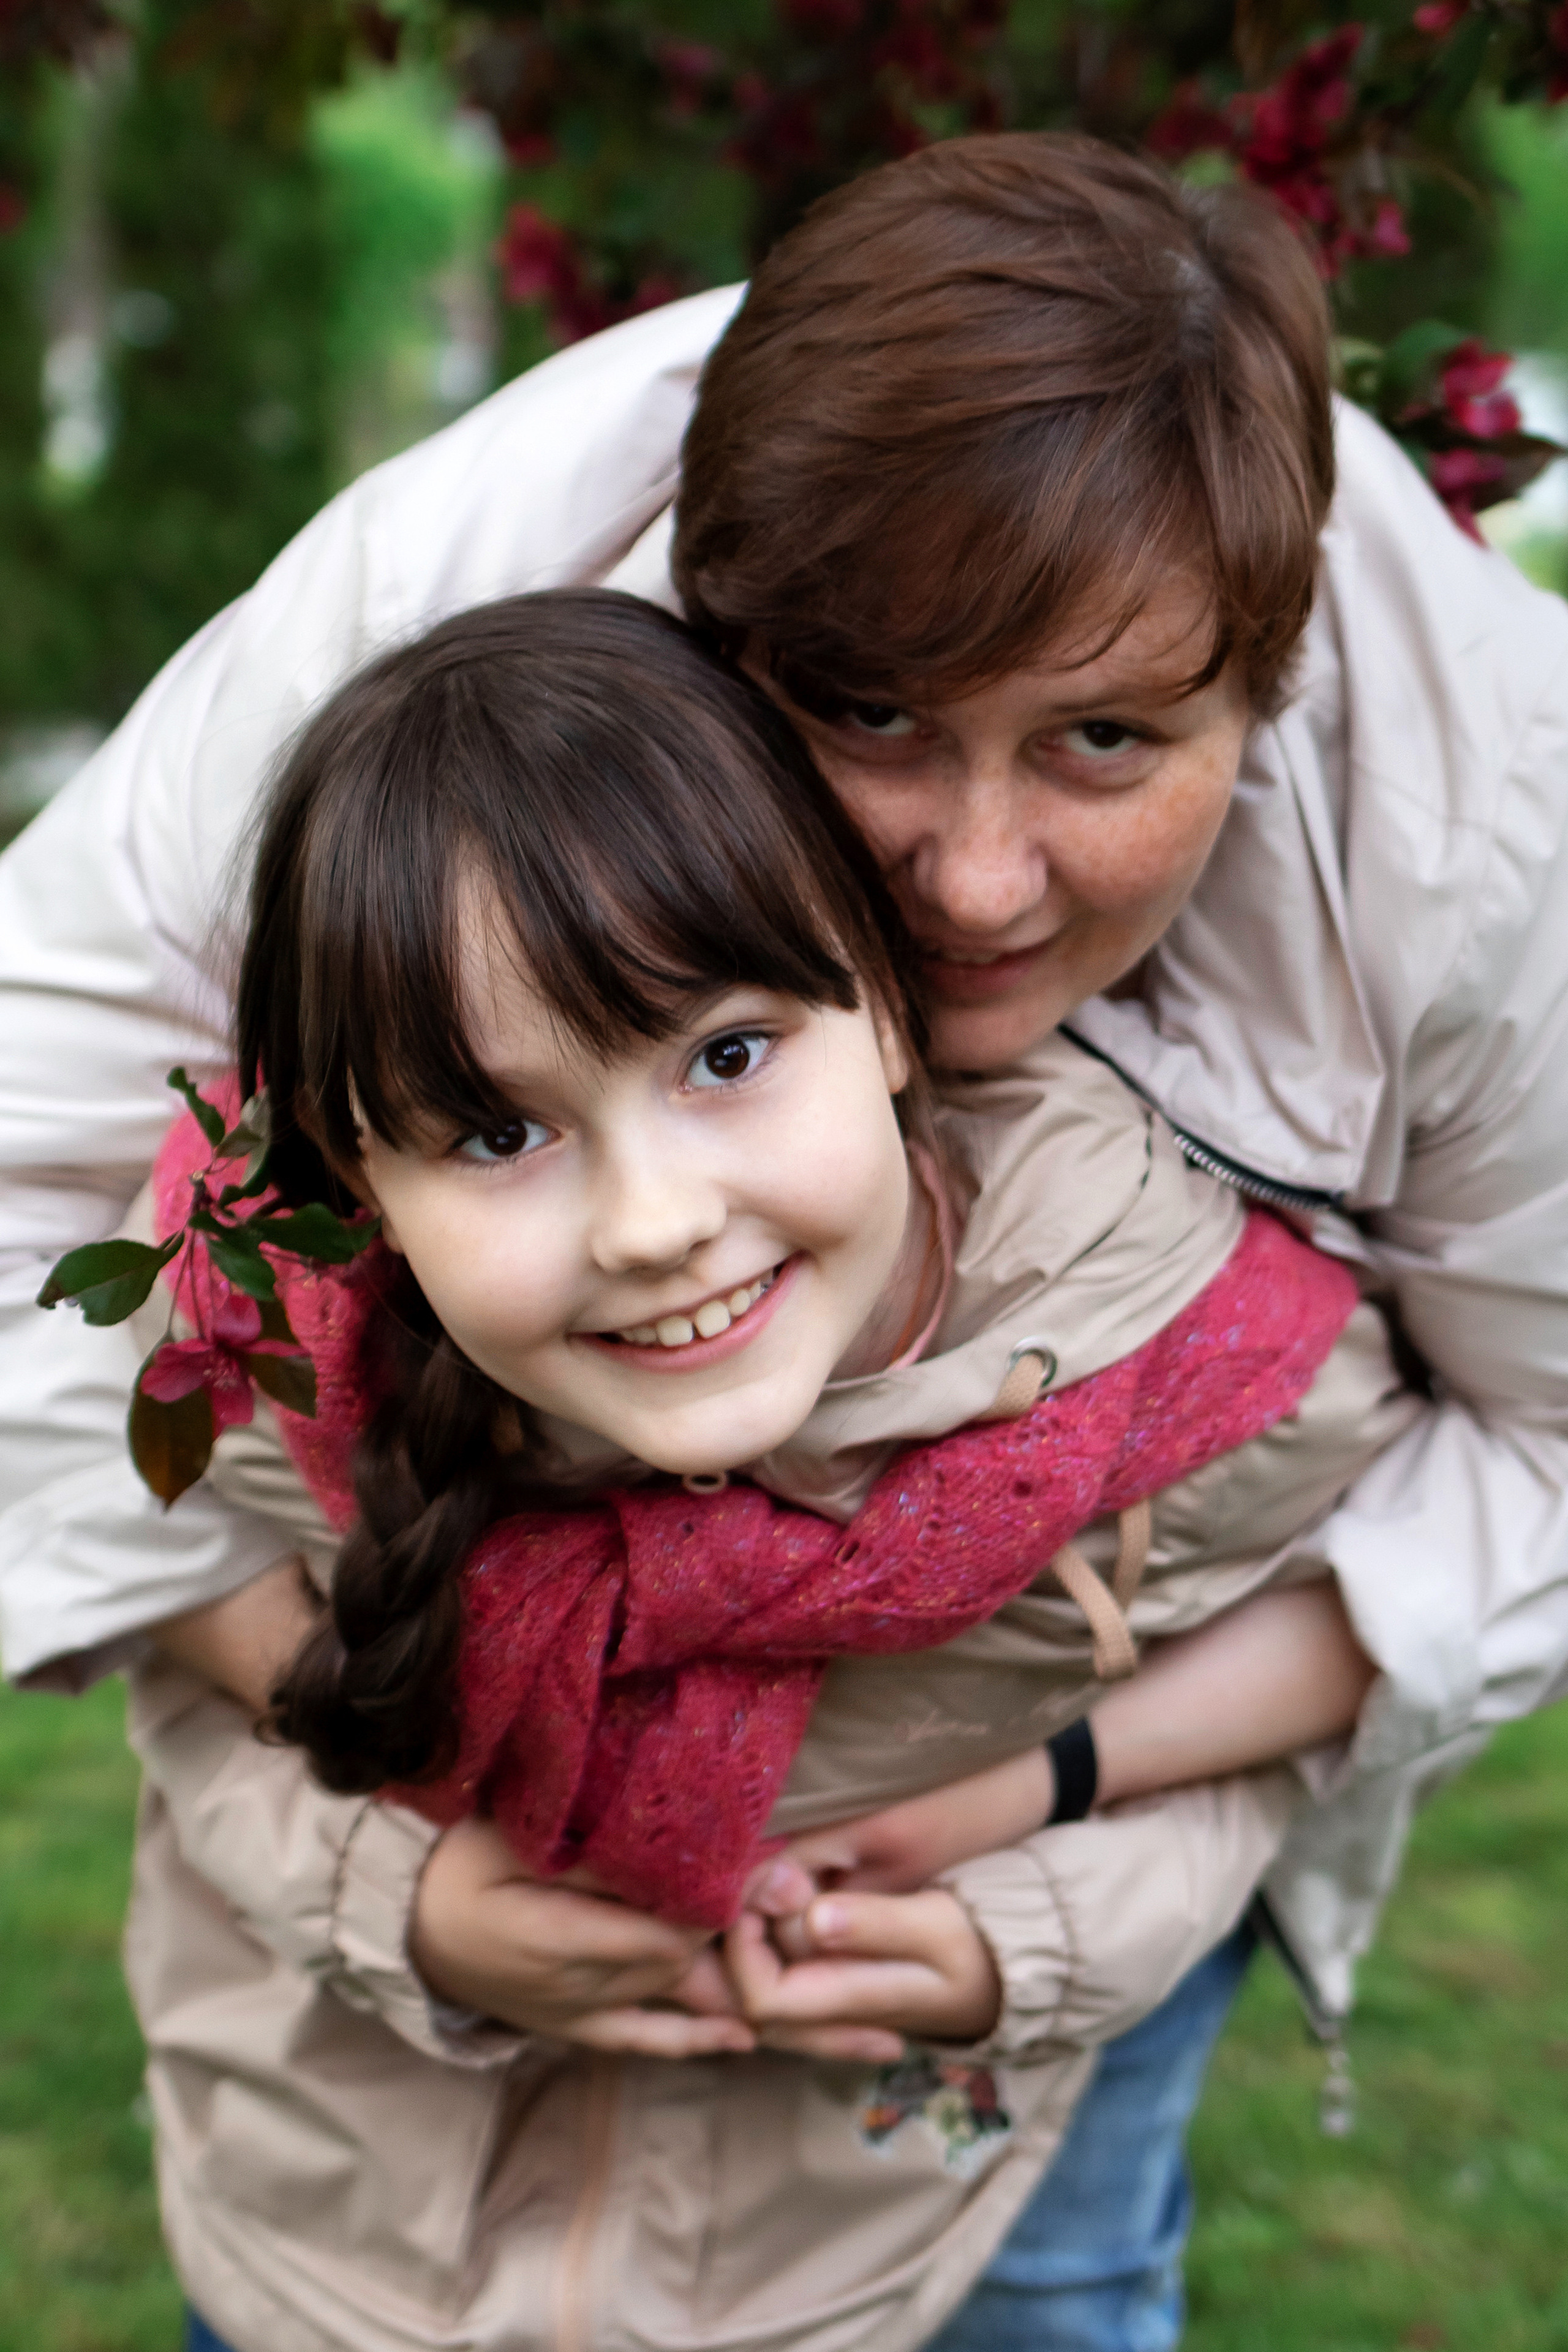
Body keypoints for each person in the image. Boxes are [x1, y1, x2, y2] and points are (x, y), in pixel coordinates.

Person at [2, 129, 1566, 2345]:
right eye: (865, 717)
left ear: (1270, 689)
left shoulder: (1486, 829)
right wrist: (399, 1783)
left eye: (1108, 742)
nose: (978, 886)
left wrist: (1048, 1822)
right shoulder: (408, 649)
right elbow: (28, 1206)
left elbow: (1531, 1463)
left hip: (970, 2069)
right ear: (710, 616)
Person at [115, 582, 1388, 2352]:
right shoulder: (265, 1369)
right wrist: (398, 1902)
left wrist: (1030, 1931)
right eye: (497, 1131)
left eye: (726, 1054)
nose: (654, 1225)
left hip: (864, 2244)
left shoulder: (1159, 1360)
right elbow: (188, 1676)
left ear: (886, 1005)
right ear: (359, 1172)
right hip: (342, 2235)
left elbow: (1300, 1706)